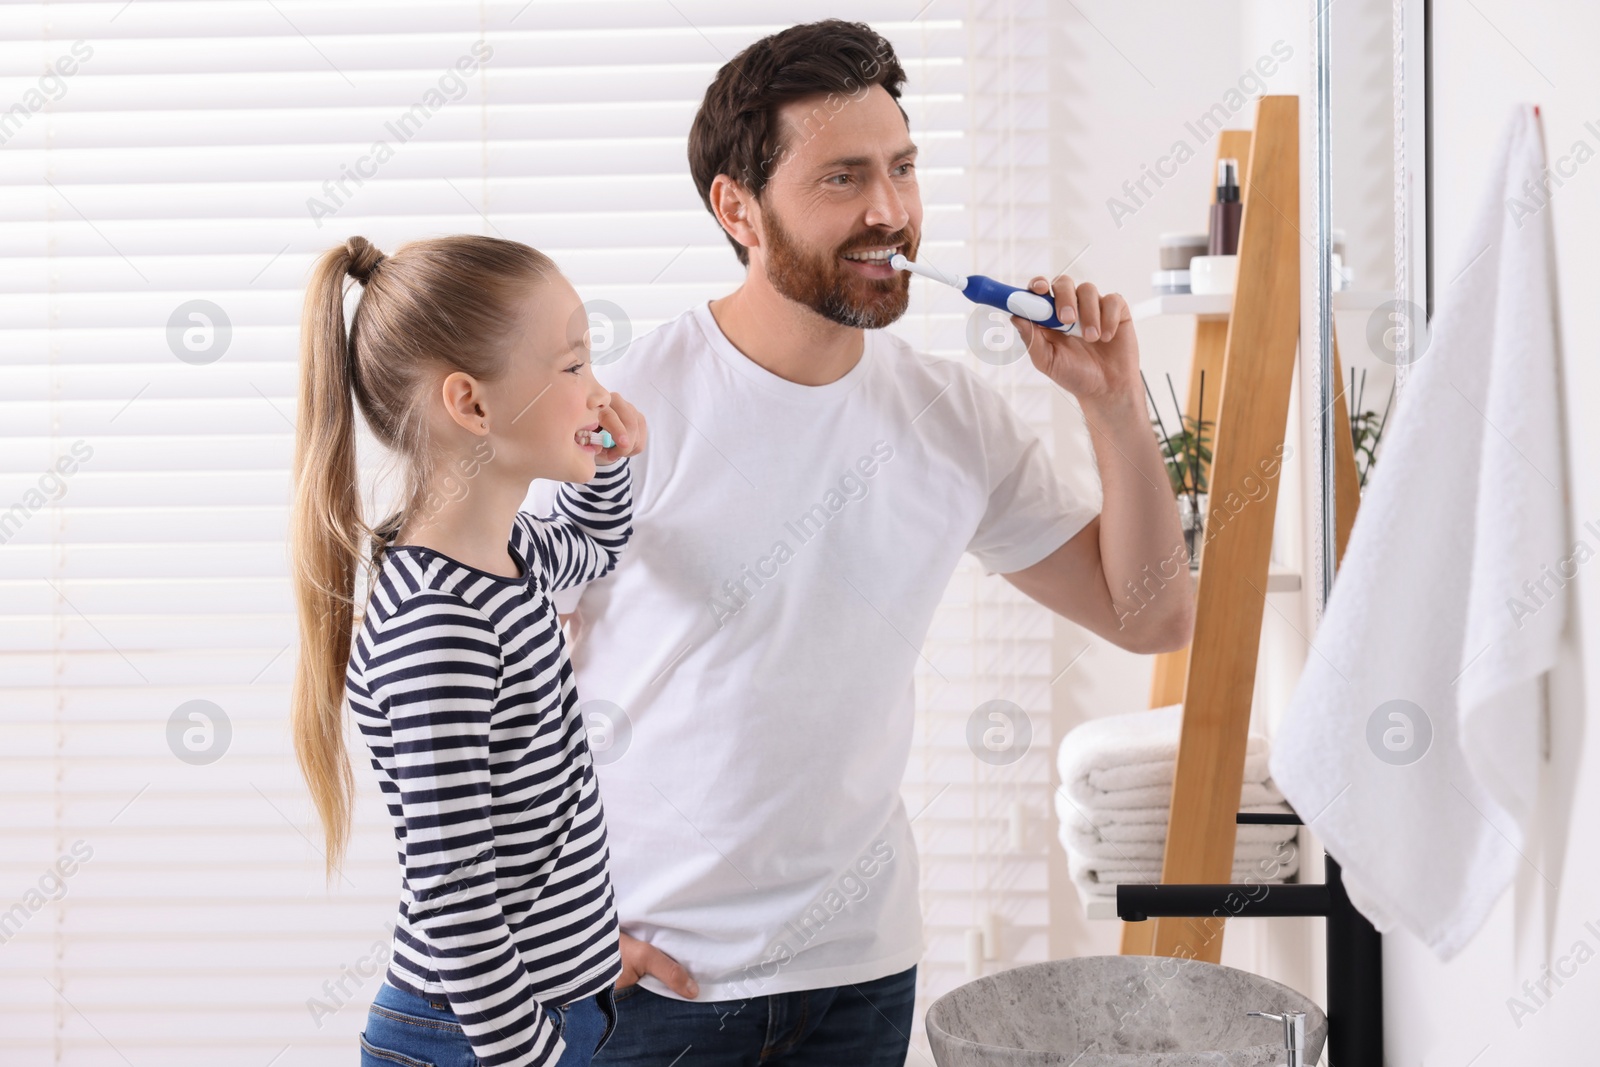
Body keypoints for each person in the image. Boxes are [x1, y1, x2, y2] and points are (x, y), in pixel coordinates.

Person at [540, 19, 1195, 1067]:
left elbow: (1150, 612)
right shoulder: (619, 410)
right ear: (736, 209)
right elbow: (486, 685)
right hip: (646, 981)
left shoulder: (953, 416)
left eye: (900, 169)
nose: (888, 211)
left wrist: (1113, 406)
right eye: (841, 178)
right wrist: (551, 918)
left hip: (859, 976)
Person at [287, 234, 648, 1066]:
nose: (598, 394)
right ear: (472, 405)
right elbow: (455, 891)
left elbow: (596, 544)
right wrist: (531, 1053)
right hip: (478, 1040)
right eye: (573, 367)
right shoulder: (439, 622)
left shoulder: (511, 556)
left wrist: (611, 463)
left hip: (544, 1014)